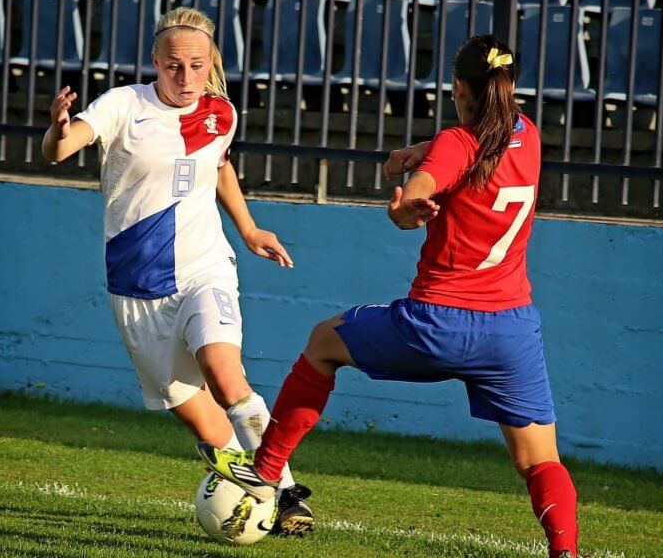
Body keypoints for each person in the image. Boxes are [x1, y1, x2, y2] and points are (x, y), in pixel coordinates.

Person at [198, 35, 579, 557]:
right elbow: (471, 151)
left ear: (458, 87)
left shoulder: (456, 143)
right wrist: (421, 153)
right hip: (511, 331)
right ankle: (566, 553)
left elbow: (424, 186)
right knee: (540, 461)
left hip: (437, 322)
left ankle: (266, 472)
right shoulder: (528, 134)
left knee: (322, 343)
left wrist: (406, 209)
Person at [40, 7, 314, 535]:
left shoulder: (221, 113)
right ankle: (256, 501)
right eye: (172, 66)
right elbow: (62, 148)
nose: (184, 77)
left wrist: (250, 229)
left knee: (225, 374)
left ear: (210, 62)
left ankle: (285, 493)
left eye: (195, 65)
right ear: (155, 63)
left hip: (204, 267)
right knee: (204, 424)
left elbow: (218, 165)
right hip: (137, 288)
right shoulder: (124, 105)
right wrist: (57, 130)